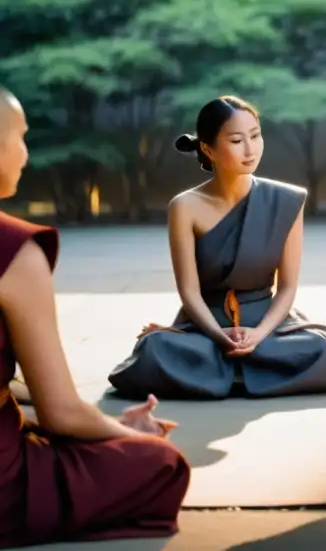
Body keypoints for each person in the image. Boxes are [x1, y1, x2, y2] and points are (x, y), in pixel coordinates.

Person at [0, 87, 190, 547]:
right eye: (20, 136)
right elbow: (61, 413)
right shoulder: (14, 250)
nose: (26, 153)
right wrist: (129, 434)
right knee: (162, 465)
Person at [108, 96, 326, 400]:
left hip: (269, 327)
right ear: (208, 149)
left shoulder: (287, 200)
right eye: (237, 140)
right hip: (204, 329)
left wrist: (259, 334)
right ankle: (251, 369)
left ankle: (220, 371)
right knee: (155, 350)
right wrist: (219, 335)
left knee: (322, 349)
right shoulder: (185, 206)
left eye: (255, 135)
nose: (250, 149)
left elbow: (287, 289)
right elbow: (189, 292)